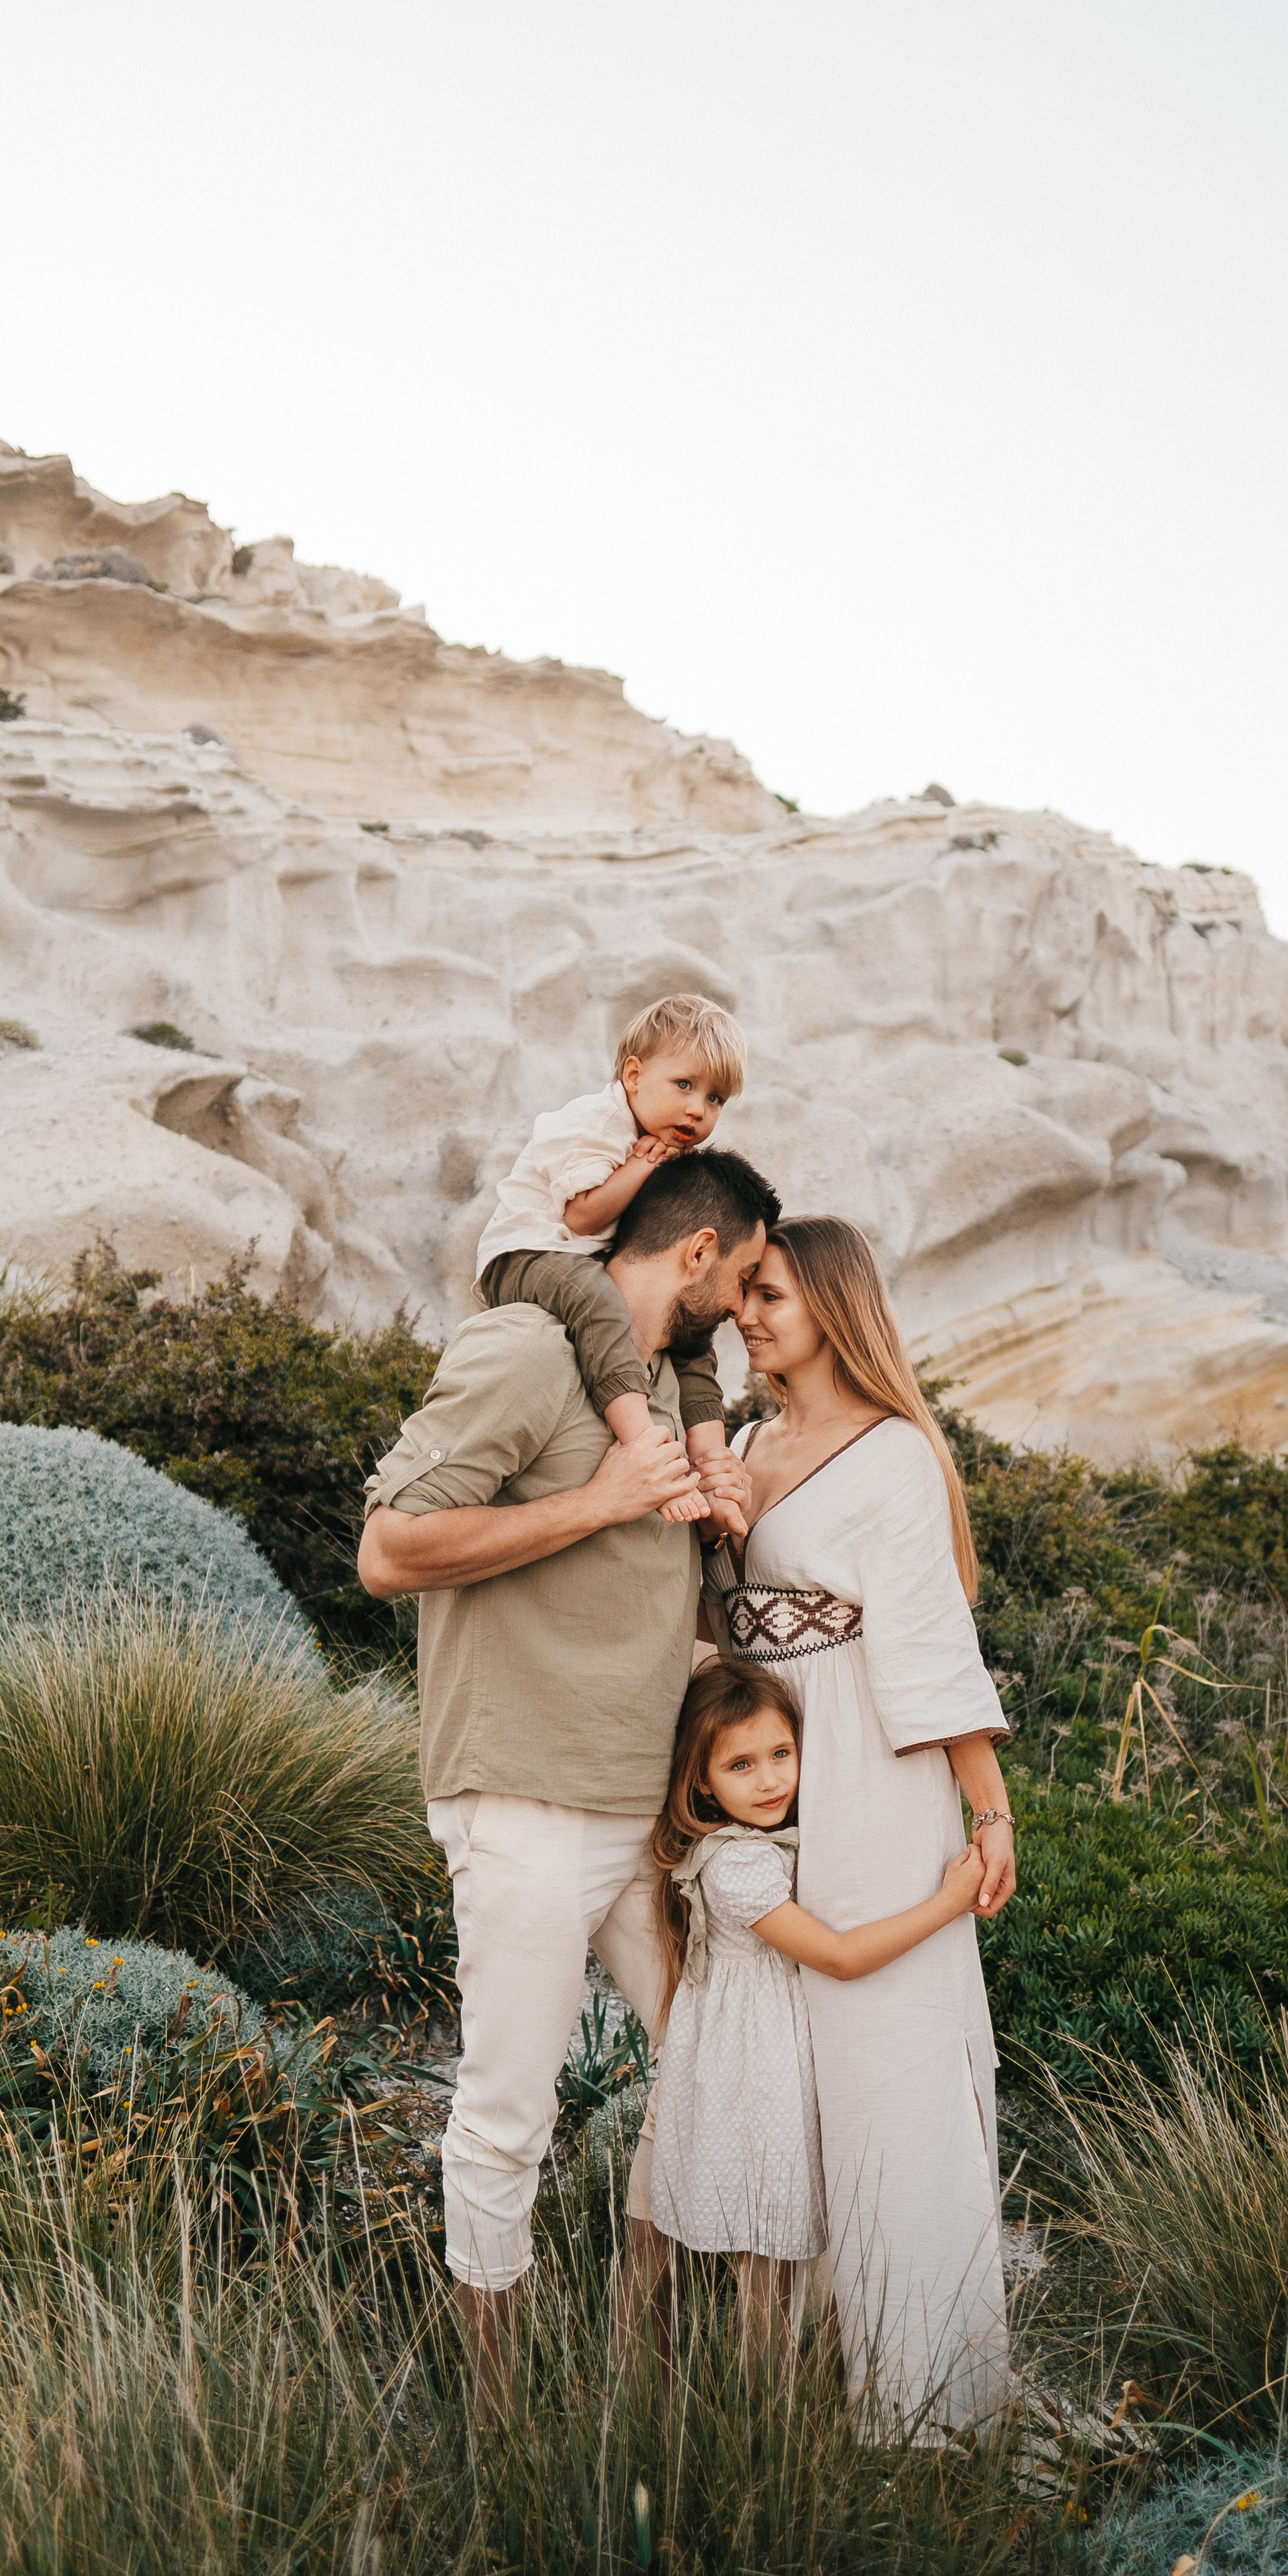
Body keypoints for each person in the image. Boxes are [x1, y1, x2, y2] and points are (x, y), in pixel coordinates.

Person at [357, 1145, 780, 2406]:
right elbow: (388, 1550)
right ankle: (499, 2412)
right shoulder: (528, 1351)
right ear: (697, 1254)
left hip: (646, 1813)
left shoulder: (662, 1392)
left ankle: (641, 2346)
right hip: (525, 1801)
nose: (745, 1312)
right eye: (744, 1280)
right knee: (508, 2115)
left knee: (711, 2063)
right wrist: (598, 1502)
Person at [707, 1214, 1017, 2437]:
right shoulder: (744, 1441)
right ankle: (795, 2385)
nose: (747, 1314)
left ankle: (923, 2397)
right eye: (743, 1293)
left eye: (771, 1295)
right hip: (766, 1781)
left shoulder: (893, 1456)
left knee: (886, 2059)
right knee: (779, 2068)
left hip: (874, 1774)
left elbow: (932, 1647)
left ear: (833, 1308)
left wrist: (989, 1812)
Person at [648, 1657, 988, 2385]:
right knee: (767, 2266)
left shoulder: (777, 1841)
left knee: (795, 2259)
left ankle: (812, 2391)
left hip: (780, 2063)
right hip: (756, 2083)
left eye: (782, 1753)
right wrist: (947, 1903)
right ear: (702, 1781)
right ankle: (765, 2415)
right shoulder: (736, 1867)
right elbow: (837, 1957)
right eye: (740, 1765)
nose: (770, 1781)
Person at [474, 994, 749, 1530]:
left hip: (581, 1260)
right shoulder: (595, 1122)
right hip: (529, 1252)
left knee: (692, 1332)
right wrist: (639, 1170)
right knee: (598, 1302)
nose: (698, 1109)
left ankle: (711, 1464)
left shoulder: (661, 1140)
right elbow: (581, 1217)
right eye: (685, 1085)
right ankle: (644, 1447)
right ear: (633, 1075)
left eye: (716, 1098)